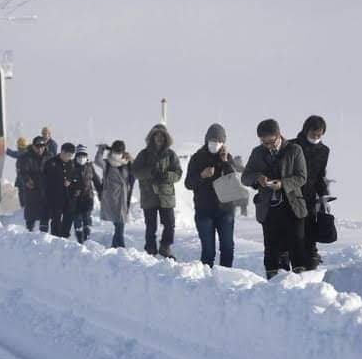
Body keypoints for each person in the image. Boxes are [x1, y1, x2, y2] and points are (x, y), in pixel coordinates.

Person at [241, 119, 308, 279]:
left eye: (270, 142)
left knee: (296, 245)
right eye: (264, 142)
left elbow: (302, 177)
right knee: (271, 248)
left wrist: (283, 184)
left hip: (292, 206)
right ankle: (274, 284)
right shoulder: (257, 152)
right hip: (268, 208)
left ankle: (300, 283)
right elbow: (245, 177)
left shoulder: (294, 150)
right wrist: (258, 178)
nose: (268, 146)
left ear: (278, 135)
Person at [184, 124, 237, 268]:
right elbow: (188, 183)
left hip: (225, 210)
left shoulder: (227, 158)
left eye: (219, 140)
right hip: (204, 211)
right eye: (212, 140)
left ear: (223, 142)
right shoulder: (197, 158)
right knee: (208, 251)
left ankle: (225, 276)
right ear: (207, 140)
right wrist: (202, 175)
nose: (215, 143)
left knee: (227, 248)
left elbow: (234, 180)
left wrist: (225, 162)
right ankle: (207, 282)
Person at [132, 124, 183, 259]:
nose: (159, 138)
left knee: (170, 224)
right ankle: (150, 249)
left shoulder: (171, 155)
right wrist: (150, 172)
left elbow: (178, 173)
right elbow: (135, 171)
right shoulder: (144, 154)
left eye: (162, 135)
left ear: (166, 138)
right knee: (151, 225)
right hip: (149, 194)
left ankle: (165, 246)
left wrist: (167, 176)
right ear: (152, 137)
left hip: (166, 195)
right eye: (156, 135)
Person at [289, 115, 331, 270]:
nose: (316, 137)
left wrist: (324, 195)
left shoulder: (324, 151)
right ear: (306, 130)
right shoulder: (292, 146)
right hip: (291, 196)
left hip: (310, 197)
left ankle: (310, 265)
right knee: (296, 233)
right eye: (314, 134)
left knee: (309, 233)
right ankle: (296, 266)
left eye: (320, 135)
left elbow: (320, 176)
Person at [95, 141, 135, 248]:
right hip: (110, 198)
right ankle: (121, 247)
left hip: (123, 198)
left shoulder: (127, 164)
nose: (117, 153)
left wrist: (131, 159)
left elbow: (137, 170)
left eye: (119, 151)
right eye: (115, 151)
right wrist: (101, 149)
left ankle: (115, 247)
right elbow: (97, 160)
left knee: (120, 223)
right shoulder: (107, 163)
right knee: (119, 223)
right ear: (111, 150)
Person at [43, 142, 77, 238]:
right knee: (56, 219)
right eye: (68, 155)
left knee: (68, 217)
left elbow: (73, 174)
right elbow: (45, 179)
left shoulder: (71, 163)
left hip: (67, 197)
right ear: (62, 152)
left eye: (71, 155)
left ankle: (65, 236)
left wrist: (70, 180)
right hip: (55, 196)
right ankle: (56, 237)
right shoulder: (51, 163)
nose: (69, 157)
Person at [70, 145, 102, 244]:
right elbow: (66, 183)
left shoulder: (89, 166)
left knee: (87, 218)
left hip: (88, 197)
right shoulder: (71, 166)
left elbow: (96, 180)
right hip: (75, 199)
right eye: (79, 155)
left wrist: (101, 192)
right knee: (77, 219)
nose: (81, 158)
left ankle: (86, 239)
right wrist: (73, 191)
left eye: (83, 155)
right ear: (76, 156)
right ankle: (80, 240)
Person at [17, 137, 50, 232]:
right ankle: (29, 232)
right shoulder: (26, 157)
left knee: (45, 213)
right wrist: (27, 180)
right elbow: (22, 172)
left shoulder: (49, 156)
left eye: (42, 146)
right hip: (32, 189)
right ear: (33, 146)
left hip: (45, 189)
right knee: (31, 214)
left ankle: (44, 234)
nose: (40, 148)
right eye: (38, 146)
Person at [7, 137, 29, 208]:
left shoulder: (24, 153)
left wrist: (5, 150)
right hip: (21, 178)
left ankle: (24, 208)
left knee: (24, 194)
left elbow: (13, 153)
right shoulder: (24, 152)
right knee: (22, 194)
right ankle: (23, 208)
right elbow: (13, 153)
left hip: (24, 179)